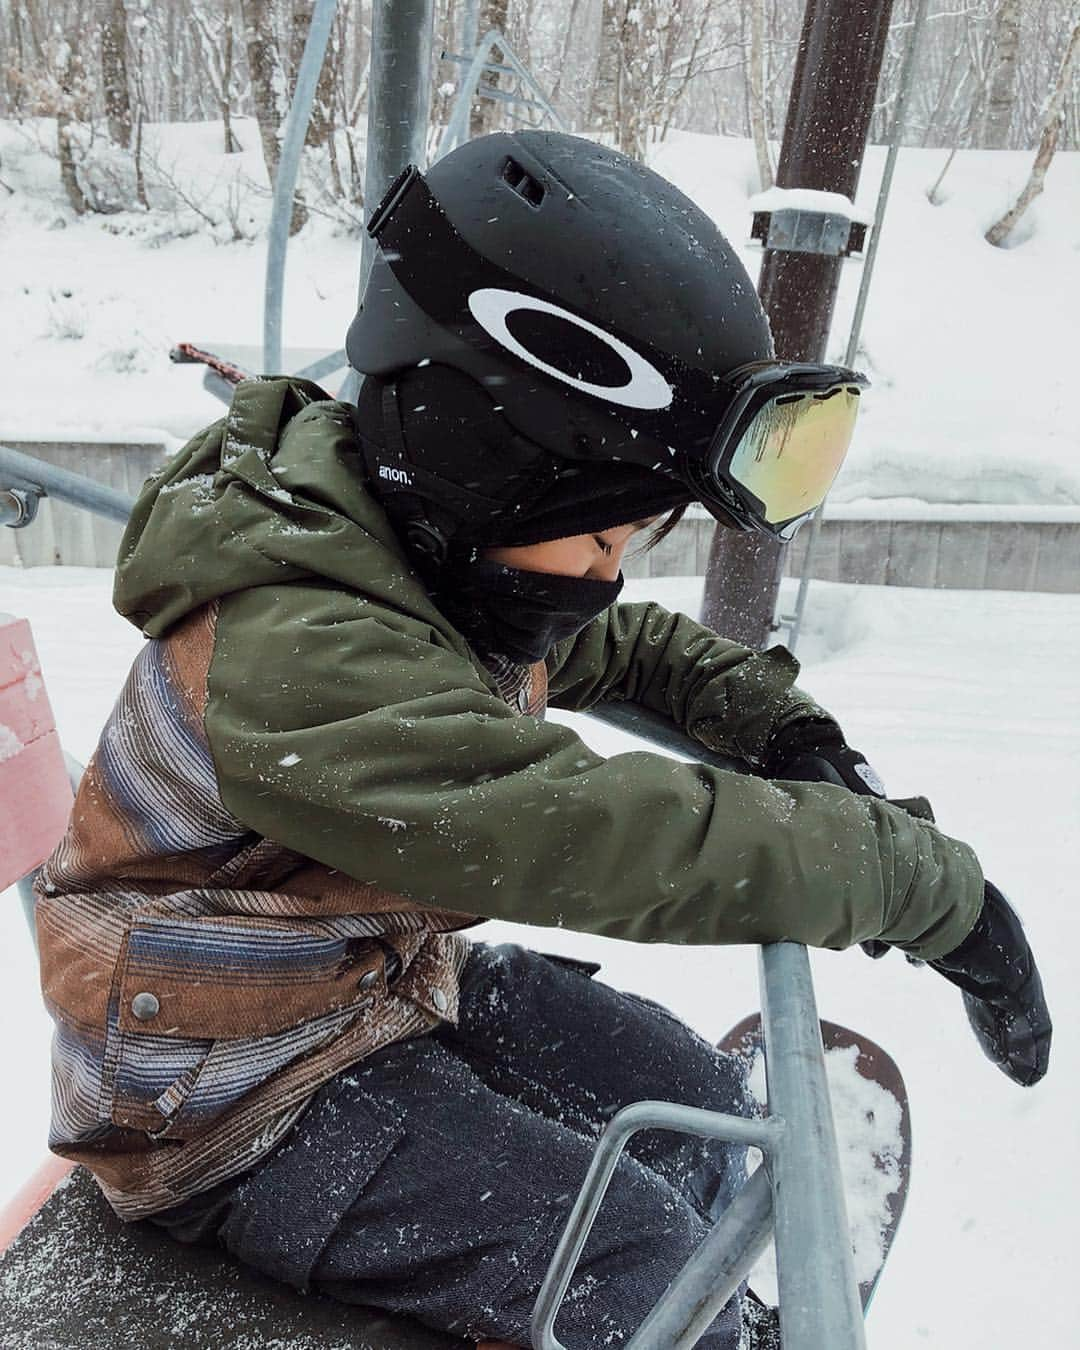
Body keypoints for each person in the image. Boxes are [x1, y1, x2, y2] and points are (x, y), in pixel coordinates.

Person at [35, 131, 1050, 1350]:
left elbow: (605, 649)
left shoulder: (403, 549)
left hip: (365, 989)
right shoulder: (306, 656)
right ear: (482, 468)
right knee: (632, 1260)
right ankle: (706, 1321)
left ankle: (718, 1281)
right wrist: (909, 881)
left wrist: (774, 720)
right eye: (599, 541)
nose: (603, 580)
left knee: (686, 1099)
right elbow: (591, 834)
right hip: (221, 1104)